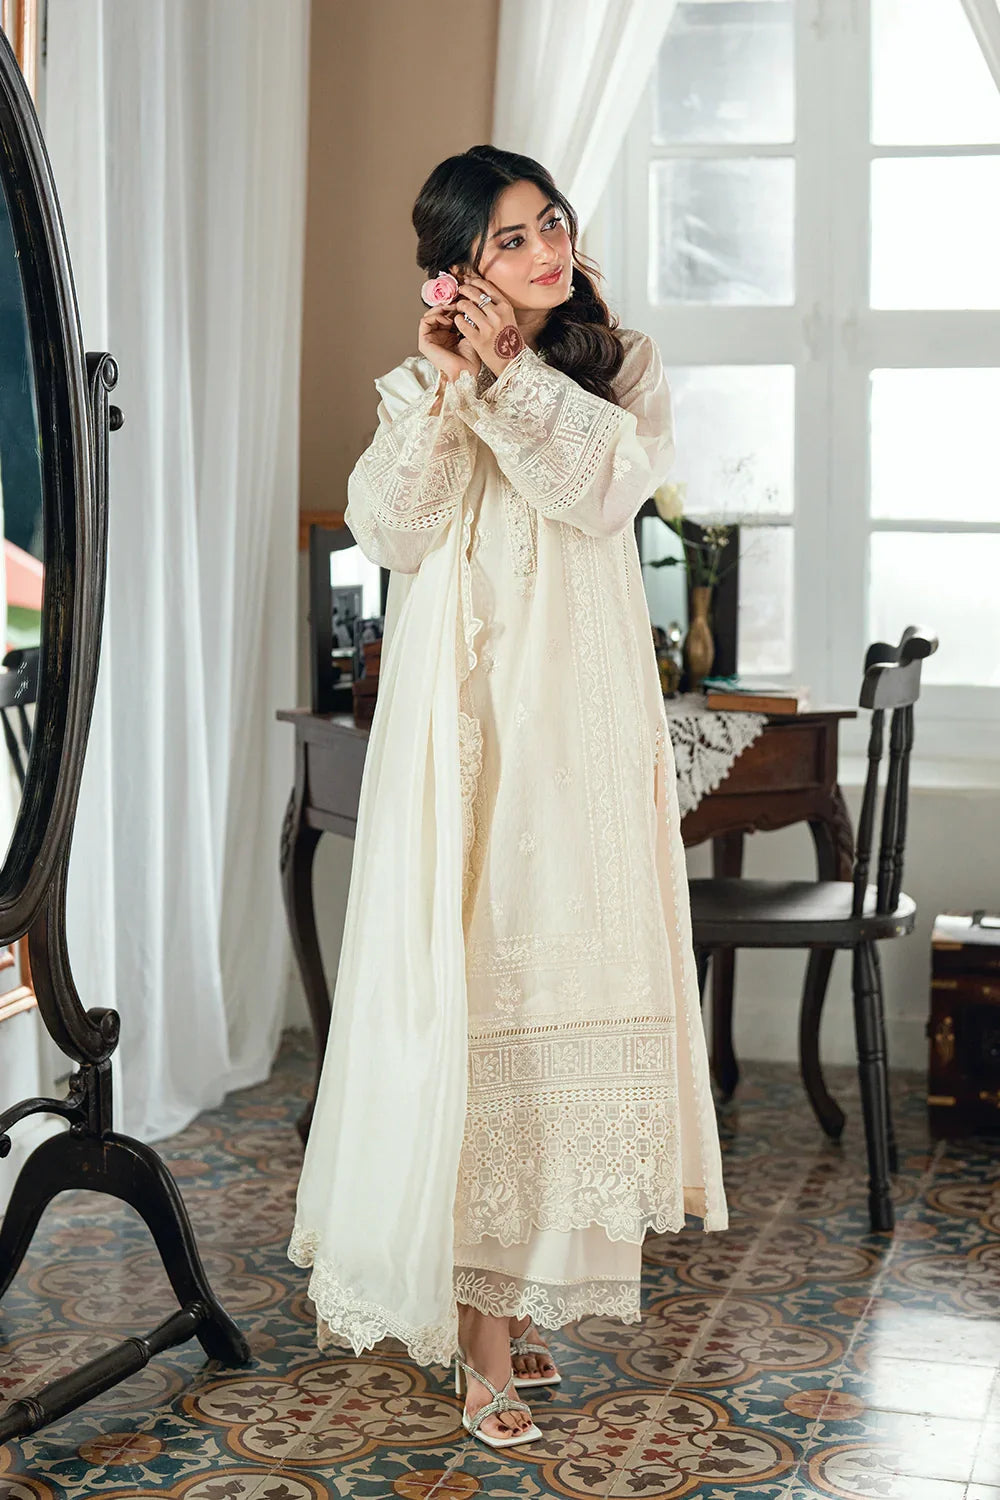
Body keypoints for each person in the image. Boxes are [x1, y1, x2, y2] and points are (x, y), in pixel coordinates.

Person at [288, 144, 727, 1451]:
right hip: (455, 725)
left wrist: (510, 377)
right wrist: (446, 389)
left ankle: (517, 1292)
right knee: (469, 988)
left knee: (552, 991)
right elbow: (393, 533)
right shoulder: (421, 384)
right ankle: (481, 1331)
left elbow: (598, 494)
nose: (548, 251)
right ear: (458, 272)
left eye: (553, 224)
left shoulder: (620, 369)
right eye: (511, 240)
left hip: (574, 723)